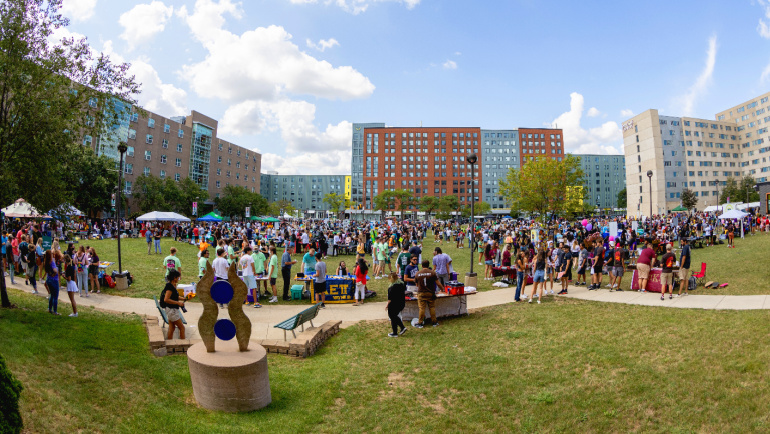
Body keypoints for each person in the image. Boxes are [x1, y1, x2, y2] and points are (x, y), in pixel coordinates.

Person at [414, 259, 444, 328]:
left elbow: (416, 285)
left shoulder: (418, 273)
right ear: (428, 265)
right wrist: (442, 289)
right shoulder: (432, 273)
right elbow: (438, 283)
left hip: (421, 293)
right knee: (432, 307)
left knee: (422, 308)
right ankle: (434, 322)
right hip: (430, 293)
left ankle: (420, 323)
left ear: (422, 265)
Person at [162, 269, 186, 339]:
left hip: (172, 309)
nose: (178, 279)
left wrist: (184, 299)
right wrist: (178, 303)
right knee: (182, 328)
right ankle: (183, 345)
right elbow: (166, 299)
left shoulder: (173, 285)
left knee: (172, 328)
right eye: (178, 277)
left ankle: (169, 343)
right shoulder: (169, 287)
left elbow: (175, 296)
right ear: (174, 278)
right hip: (171, 310)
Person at [385, 272, 407, 337]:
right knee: (394, 316)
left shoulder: (391, 288)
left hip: (393, 304)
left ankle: (397, 331)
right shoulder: (402, 284)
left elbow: (390, 299)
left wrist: (387, 305)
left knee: (392, 316)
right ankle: (400, 329)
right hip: (401, 303)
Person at [43, 251, 60, 315]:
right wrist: (55, 272)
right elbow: (55, 270)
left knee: (51, 295)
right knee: (55, 296)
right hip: (54, 280)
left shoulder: (46, 262)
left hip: (48, 279)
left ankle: (49, 308)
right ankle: (55, 311)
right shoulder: (52, 263)